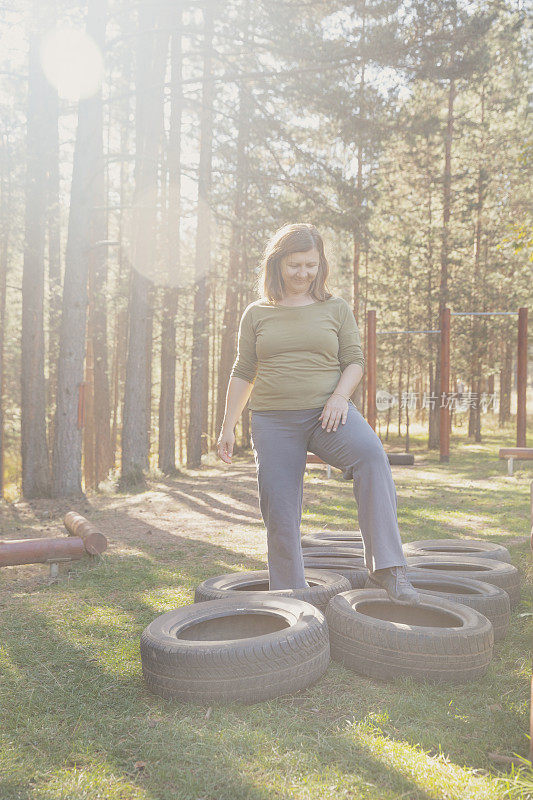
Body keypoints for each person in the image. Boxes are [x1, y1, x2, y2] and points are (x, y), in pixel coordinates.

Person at [216, 223, 420, 606]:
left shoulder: (335, 307)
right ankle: (291, 596)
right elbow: (243, 371)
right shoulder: (257, 313)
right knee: (279, 506)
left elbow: (355, 361)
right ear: (277, 264)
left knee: (372, 457)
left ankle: (391, 570)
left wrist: (340, 398)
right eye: (295, 265)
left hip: (329, 413)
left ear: (320, 265)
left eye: (311, 265)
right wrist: (227, 426)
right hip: (273, 421)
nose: (303, 274)